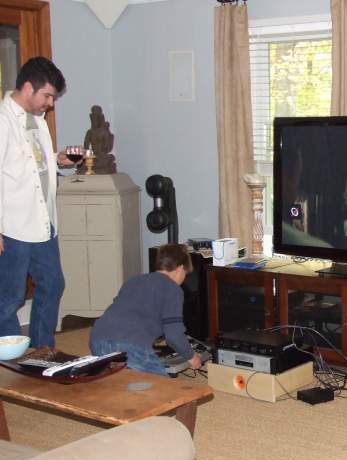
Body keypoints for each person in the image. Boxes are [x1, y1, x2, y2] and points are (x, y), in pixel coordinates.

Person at [0, 56, 74, 348]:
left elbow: (31, 167)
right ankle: (8, 362)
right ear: (28, 88)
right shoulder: (3, 121)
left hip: (44, 224)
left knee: (53, 284)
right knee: (10, 297)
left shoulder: (39, 122)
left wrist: (59, 160)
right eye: (47, 96)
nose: (50, 104)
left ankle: (42, 350)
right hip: (13, 227)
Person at [90, 243, 202, 376]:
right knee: (166, 392)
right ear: (180, 269)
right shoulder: (173, 289)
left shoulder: (134, 280)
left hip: (97, 340)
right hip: (128, 347)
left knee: (123, 382)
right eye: (185, 274)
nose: (184, 279)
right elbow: (173, 335)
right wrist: (192, 356)